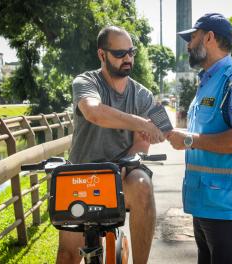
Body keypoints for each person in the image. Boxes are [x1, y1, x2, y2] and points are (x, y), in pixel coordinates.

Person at [57, 25, 165, 264]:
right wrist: (142, 123)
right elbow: (94, 112)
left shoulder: (143, 95)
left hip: (120, 174)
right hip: (81, 175)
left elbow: (143, 143)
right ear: (102, 55)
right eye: (119, 54)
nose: (127, 58)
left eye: (131, 52)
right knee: (68, 255)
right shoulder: (86, 81)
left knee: (143, 184)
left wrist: (123, 165)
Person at [167, 13, 232, 264]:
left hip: (228, 209)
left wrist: (189, 140)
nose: (188, 45)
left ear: (209, 37)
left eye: (192, 37)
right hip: (205, 204)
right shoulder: (208, 81)